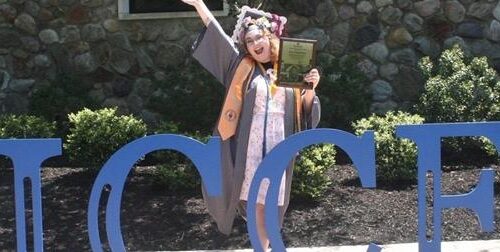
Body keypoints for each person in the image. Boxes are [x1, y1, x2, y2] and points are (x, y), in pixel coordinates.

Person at [181, 1, 321, 250]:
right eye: (249, 42)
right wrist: (199, 5)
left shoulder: (291, 68)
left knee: (271, 204)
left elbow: (306, 111)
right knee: (257, 202)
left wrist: (311, 88)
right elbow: (218, 37)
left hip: (280, 143)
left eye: (259, 38)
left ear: (270, 38)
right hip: (251, 146)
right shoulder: (242, 68)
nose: (255, 45)